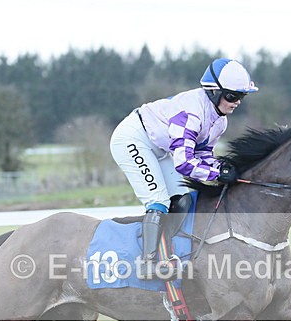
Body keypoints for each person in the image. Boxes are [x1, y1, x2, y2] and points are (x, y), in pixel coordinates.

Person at [109, 58, 258, 278]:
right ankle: (148, 263)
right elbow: (184, 163)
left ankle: (167, 252)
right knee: (158, 200)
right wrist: (218, 173)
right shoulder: (192, 114)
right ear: (214, 92)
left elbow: (203, 155)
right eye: (232, 96)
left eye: (241, 97)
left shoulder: (220, 121)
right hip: (133, 139)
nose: (236, 102)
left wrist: (225, 168)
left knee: (182, 199)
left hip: (160, 148)